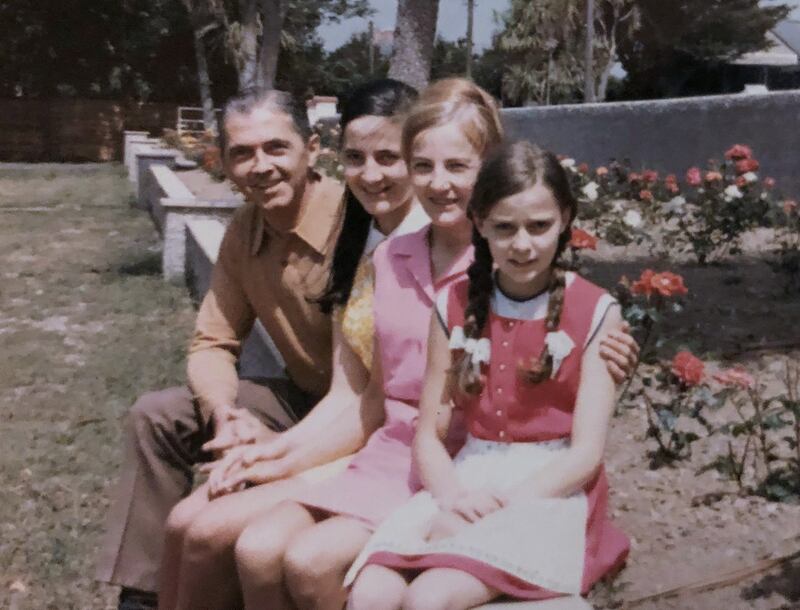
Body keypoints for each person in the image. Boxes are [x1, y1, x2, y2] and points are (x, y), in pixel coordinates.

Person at [231, 78, 638, 610]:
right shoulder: (425, 281)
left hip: (521, 482)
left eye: (457, 167)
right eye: (423, 166)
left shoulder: (550, 287)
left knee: (379, 583)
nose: (521, 242)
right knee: (282, 557)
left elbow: (580, 435)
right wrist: (283, 457)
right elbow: (397, 407)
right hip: (435, 464)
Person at [156, 78, 430, 610]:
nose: (370, 175)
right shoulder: (368, 238)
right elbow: (352, 392)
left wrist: (274, 462)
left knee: (225, 535)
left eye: (388, 158)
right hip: (344, 421)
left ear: (310, 151)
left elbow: (375, 404)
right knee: (185, 518)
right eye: (357, 158)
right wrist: (253, 440)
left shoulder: (420, 239)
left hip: (398, 447)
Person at [347, 140, 631, 610]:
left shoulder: (596, 310)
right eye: (504, 228)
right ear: (479, 224)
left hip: (548, 489)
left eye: (539, 226)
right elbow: (429, 434)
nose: (522, 244)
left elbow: (585, 454)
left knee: (428, 600)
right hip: (467, 475)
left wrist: (501, 505)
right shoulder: (454, 304)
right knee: (373, 593)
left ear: (565, 218)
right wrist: (453, 497)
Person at [96, 87, 346, 610]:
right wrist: (224, 413)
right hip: (299, 397)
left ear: (312, 148)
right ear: (226, 164)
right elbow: (213, 340)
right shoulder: (244, 229)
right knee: (156, 416)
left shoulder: (355, 225)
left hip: (357, 412)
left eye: (277, 148)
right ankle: (143, 595)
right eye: (242, 153)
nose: (261, 167)